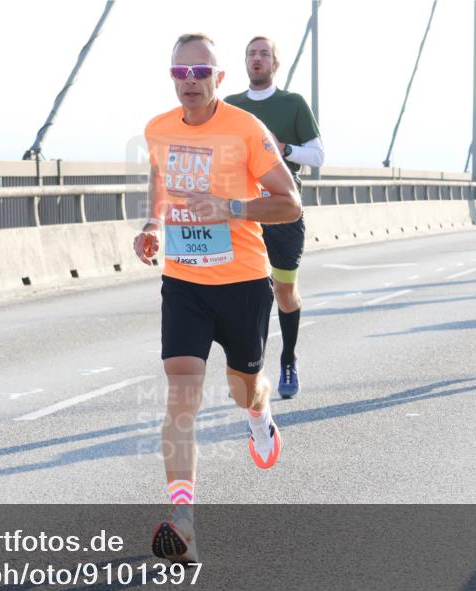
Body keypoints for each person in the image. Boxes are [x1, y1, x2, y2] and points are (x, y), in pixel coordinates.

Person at [134, 33, 302, 563]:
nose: (190, 82)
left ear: (219, 78)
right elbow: (160, 179)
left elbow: (290, 204)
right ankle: (183, 523)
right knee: (181, 396)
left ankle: (260, 414)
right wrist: (152, 223)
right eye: (180, 73)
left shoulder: (246, 128)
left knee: (242, 390)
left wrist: (230, 207)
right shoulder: (158, 129)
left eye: (201, 72)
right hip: (184, 282)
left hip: (242, 283)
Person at [224, 36, 324, 399]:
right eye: (251, 53)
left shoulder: (292, 103)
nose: (257, 59)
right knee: (247, 294)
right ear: (245, 61)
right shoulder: (230, 106)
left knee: (283, 291)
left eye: (264, 54)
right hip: (243, 213)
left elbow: (317, 155)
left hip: (283, 212)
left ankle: (288, 358)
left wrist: (285, 149)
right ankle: (250, 370)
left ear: (275, 64)